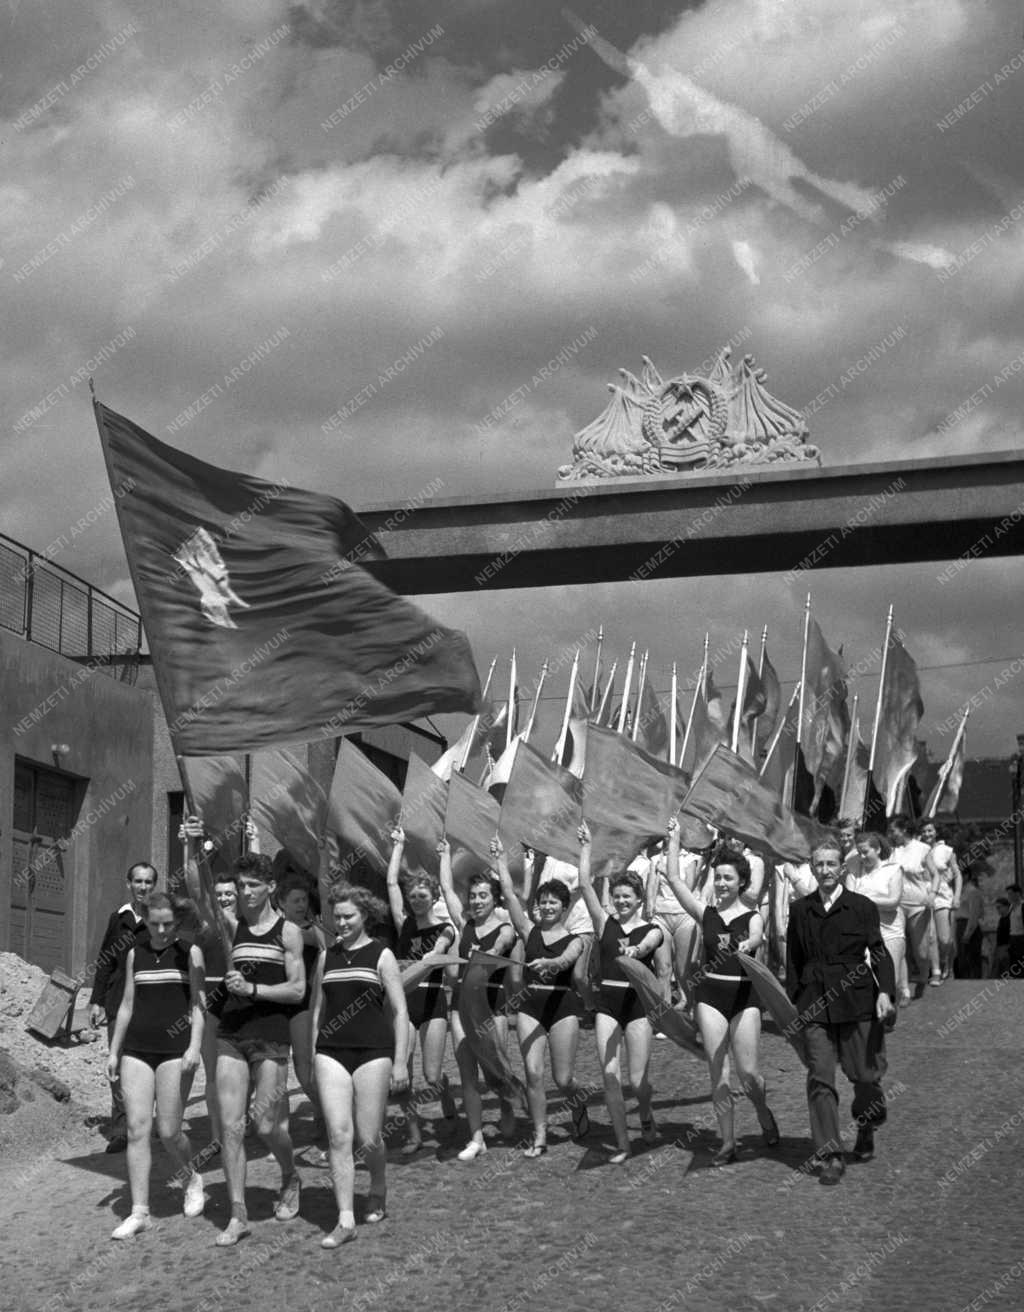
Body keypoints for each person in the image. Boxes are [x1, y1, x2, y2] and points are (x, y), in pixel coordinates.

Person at [663, 818, 778, 1165]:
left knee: (749, 1075)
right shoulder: (706, 913)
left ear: (742, 881)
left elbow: (756, 937)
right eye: (718, 878)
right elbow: (674, 879)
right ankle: (727, 1142)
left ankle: (762, 1110)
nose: (722, 884)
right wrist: (674, 839)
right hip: (711, 997)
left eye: (728, 878)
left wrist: (749, 944)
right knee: (719, 1071)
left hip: (744, 999)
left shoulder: (753, 916)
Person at [786, 837, 895, 1187]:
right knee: (820, 1077)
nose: (825, 870)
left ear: (842, 868)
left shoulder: (862, 906)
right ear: (812, 868)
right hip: (815, 1002)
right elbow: (793, 959)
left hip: (856, 999)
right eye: (819, 864)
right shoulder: (801, 910)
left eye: (831, 863)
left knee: (864, 1075)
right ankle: (830, 1153)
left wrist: (885, 991)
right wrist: (795, 998)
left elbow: (878, 952)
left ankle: (867, 1122)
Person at [214, 851, 306, 1246]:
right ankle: (238, 1215)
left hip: (271, 1034)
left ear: (271, 886)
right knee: (231, 1127)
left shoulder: (289, 932)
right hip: (232, 1033)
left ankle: (290, 1175)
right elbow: (198, 887)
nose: (245, 892)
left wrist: (253, 989)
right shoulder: (232, 924)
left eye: (253, 885)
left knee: (266, 1124)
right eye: (240, 886)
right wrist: (192, 842)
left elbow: (297, 990)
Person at [312, 882, 409, 1248]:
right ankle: (345, 1219)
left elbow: (400, 1011)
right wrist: (311, 1053)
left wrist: (401, 1062)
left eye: (348, 916)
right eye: (336, 917)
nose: (341, 923)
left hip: (373, 1051)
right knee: (339, 1135)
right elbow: (317, 1011)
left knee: (368, 1140)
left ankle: (378, 1184)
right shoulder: (326, 957)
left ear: (364, 915)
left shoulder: (381, 955)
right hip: (330, 1052)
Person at [104, 893, 206, 1237]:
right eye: (154, 923)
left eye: (168, 924)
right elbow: (127, 1004)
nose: (161, 930)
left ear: (176, 921)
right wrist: (114, 1051)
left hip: (176, 1050)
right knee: (137, 1129)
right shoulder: (136, 954)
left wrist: (194, 1047)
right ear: (145, 920)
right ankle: (140, 1212)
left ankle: (191, 1178)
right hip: (136, 1050)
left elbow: (198, 1005)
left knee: (169, 1131)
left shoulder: (190, 953)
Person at [493, 837, 587, 1156]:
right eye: (543, 902)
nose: (547, 907)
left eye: (553, 903)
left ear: (564, 907)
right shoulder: (528, 930)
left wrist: (549, 963)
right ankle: (540, 1135)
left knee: (563, 1079)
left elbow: (565, 961)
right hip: (530, 1008)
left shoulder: (575, 939)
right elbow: (509, 895)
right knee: (533, 1073)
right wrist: (500, 859)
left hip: (563, 1009)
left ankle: (578, 1101)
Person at [577, 821, 662, 1164]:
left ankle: (645, 1111)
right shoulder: (604, 923)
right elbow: (585, 885)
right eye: (617, 896)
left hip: (638, 1007)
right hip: (607, 1006)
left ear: (639, 899)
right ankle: (623, 1143)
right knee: (609, 1075)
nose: (622, 901)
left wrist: (636, 951)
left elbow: (650, 943)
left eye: (628, 896)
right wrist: (586, 846)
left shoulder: (651, 928)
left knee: (638, 1081)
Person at [438, 838, 518, 1161]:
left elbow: (501, 947)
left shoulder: (505, 928)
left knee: (496, 1067)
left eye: (483, 895)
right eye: (473, 896)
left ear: (494, 898)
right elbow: (446, 888)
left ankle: (507, 1105)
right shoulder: (464, 923)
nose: (476, 900)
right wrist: (444, 855)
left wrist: (489, 954)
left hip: (492, 1007)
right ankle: (476, 1137)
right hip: (461, 1007)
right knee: (467, 1072)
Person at [385, 826, 458, 1152]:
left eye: (422, 896)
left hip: (432, 1002)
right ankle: (414, 1133)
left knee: (431, 1075)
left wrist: (432, 956)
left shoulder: (445, 928)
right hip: (403, 1004)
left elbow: (439, 949)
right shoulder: (404, 924)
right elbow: (391, 884)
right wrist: (399, 846)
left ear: (434, 898)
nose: (416, 901)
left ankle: (445, 1090)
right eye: (412, 896)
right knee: (403, 1071)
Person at [89, 862, 158, 1151]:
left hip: (152, 1003)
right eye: (138, 881)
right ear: (128, 884)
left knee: (150, 1063)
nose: (143, 887)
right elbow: (105, 960)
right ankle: (120, 1130)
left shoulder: (160, 918)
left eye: (148, 882)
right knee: (117, 1064)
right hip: (119, 1001)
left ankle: (147, 1124)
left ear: (154, 886)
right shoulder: (118, 919)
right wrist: (97, 1000)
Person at [276, 870, 327, 1144]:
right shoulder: (276, 928)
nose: (301, 905)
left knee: (305, 1070)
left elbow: (314, 941)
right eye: (295, 900)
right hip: (275, 1002)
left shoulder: (312, 929)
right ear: (281, 902)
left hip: (304, 1003)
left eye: (304, 900)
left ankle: (327, 1113)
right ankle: (279, 1128)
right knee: (276, 1070)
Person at [846, 833, 906, 1004]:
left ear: (878, 849)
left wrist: (864, 899)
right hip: (863, 935)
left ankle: (890, 1009)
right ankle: (873, 1016)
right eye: (859, 853)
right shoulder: (854, 874)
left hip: (890, 933)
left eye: (865, 852)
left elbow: (893, 901)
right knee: (868, 981)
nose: (862, 857)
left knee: (889, 982)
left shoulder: (893, 870)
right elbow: (849, 903)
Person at [888, 815, 940, 995]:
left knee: (921, 952)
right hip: (896, 905)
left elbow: (936, 875)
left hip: (918, 905)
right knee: (899, 947)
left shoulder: (922, 849)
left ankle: (924, 976)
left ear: (903, 830)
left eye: (893, 831)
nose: (891, 834)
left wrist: (932, 894)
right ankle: (904, 990)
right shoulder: (891, 851)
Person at [920, 820, 962, 981]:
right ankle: (934, 970)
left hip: (942, 896)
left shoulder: (946, 851)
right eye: (924, 831)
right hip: (923, 896)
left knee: (945, 939)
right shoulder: (917, 850)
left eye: (930, 830)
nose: (927, 834)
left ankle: (948, 963)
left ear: (936, 832)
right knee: (930, 937)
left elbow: (957, 875)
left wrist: (957, 896)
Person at [954, 869, 984, 979]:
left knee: (971, 958)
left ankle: (975, 982)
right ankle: (964, 982)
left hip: (968, 926)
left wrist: (968, 933)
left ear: (966, 876)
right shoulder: (960, 891)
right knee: (962, 958)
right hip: (960, 925)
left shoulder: (973, 891)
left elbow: (974, 915)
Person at [991, 897, 1011, 979]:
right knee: (997, 972)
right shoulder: (1001, 919)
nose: (998, 910)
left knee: (1006, 971)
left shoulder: (1010, 918)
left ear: (1006, 907)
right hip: (1000, 948)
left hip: (1007, 948)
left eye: (999, 907)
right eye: (997, 908)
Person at [1005, 885, 1024, 975]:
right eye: (1008, 894)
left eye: (1010, 894)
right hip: (1013, 938)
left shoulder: (1022, 906)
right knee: (1013, 963)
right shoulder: (1011, 907)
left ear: (1018, 894)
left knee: (1021, 963)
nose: (1009, 896)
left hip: (1021, 938)